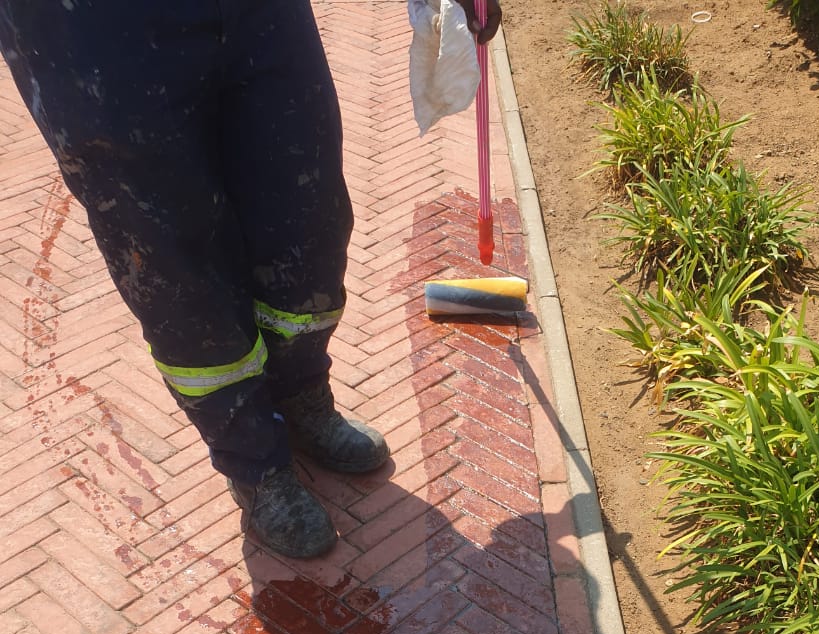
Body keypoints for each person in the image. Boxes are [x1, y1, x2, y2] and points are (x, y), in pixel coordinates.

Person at [0, 0, 501, 558]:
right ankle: (253, 459)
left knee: (308, 220)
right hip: (88, 31)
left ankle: (300, 393)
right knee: (175, 265)